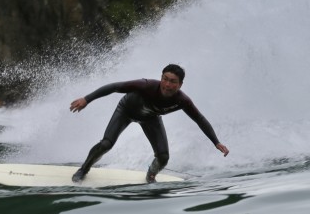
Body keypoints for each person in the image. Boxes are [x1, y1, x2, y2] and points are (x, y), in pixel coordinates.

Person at [69, 64, 229, 183]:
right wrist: (86, 99)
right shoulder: (146, 85)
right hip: (125, 111)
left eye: (173, 81)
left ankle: (151, 176)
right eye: (165, 79)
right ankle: (84, 169)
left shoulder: (183, 101)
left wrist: (216, 142)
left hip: (151, 118)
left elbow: (199, 119)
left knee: (163, 157)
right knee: (106, 144)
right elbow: (115, 87)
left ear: (180, 85)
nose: (167, 84)